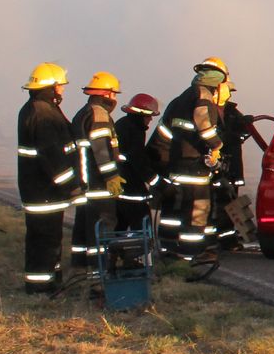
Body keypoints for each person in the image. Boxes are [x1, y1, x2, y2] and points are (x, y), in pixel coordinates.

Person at [147, 57, 226, 261]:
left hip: (175, 167)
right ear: (218, 80)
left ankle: (169, 251)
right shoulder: (203, 96)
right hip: (194, 170)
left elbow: (163, 136)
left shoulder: (179, 100)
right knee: (197, 212)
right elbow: (205, 127)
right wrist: (217, 146)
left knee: (173, 214)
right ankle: (190, 256)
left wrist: (162, 164)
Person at [16, 62, 79, 294]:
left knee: (48, 239)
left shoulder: (39, 108)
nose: (62, 90)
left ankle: (49, 280)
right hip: (43, 192)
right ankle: (40, 288)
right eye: (60, 86)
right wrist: (71, 186)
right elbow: (52, 156)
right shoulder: (42, 113)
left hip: (41, 190)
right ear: (51, 87)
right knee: (44, 240)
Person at [70, 72, 124, 272]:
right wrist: (111, 176)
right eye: (114, 94)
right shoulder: (99, 114)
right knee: (103, 227)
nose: (115, 100)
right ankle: (100, 271)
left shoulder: (83, 112)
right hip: (98, 184)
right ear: (107, 94)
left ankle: (80, 266)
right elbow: (101, 149)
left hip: (85, 182)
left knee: (84, 228)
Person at [114, 92, 161, 232]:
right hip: (131, 188)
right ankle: (138, 253)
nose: (151, 119)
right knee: (141, 227)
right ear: (142, 114)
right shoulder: (134, 130)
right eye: (149, 115)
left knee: (119, 227)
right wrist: (156, 182)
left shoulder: (123, 124)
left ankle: (115, 252)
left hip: (120, 187)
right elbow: (137, 159)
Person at [211, 80, 250, 249]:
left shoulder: (233, 113)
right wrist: (228, 137)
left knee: (229, 203)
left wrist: (243, 129)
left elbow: (243, 135)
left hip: (232, 168)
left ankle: (227, 240)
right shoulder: (205, 110)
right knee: (211, 204)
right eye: (228, 90)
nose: (229, 94)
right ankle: (210, 240)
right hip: (212, 167)